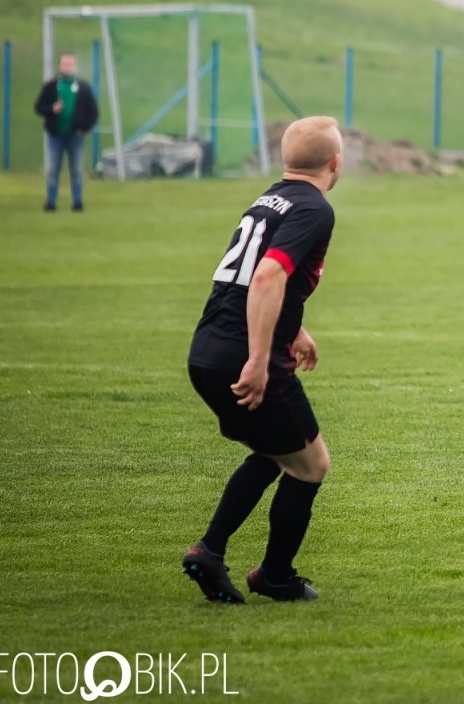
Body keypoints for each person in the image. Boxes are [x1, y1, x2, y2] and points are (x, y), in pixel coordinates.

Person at [181, 116, 343, 602]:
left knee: (277, 453)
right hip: (245, 357)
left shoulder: (270, 199)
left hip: (207, 351)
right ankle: (273, 575)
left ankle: (209, 551)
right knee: (311, 464)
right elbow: (268, 276)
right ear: (337, 162)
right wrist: (257, 359)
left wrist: (295, 330)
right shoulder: (316, 208)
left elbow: (250, 278)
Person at [33, 52, 98, 212]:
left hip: (75, 136)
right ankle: (51, 202)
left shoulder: (83, 87)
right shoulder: (51, 86)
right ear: (59, 66)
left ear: (74, 66)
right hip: (55, 136)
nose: (67, 67)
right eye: (64, 64)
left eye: (70, 64)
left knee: (76, 170)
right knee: (53, 170)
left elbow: (93, 111)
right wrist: (51, 109)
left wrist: (85, 128)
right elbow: (39, 107)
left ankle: (77, 202)